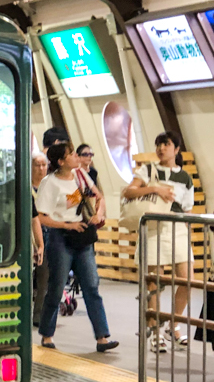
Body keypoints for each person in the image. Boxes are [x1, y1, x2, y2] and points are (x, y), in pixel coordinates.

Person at [36, 141, 118, 353]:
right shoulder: (50, 183)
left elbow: (99, 196)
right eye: (71, 154)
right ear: (61, 161)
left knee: (91, 285)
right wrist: (66, 225)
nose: (76, 156)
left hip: (82, 235)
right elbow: (41, 217)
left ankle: (102, 337)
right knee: (56, 287)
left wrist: (99, 213)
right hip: (60, 237)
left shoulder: (80, 175)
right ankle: (47, 334)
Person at [122, 131, 193, 353]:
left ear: (176, 149)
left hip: (177, 229)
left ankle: (174, 324)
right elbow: (129, 192)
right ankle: (155, 333)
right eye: (159, 144)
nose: (161, 148)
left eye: (166, 144)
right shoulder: (148, 170)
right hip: (153, 228)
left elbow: (187, 208)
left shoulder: (185, 177)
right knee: (155, 282)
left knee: (188, 279)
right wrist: (155, 188)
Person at [31, 152, 47, 326]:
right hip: (31, 237)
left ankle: (39, 316)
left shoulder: (51, 186)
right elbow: (35, 218)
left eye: (44, 165)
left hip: (49, 235)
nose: (41, 168)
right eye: (37, 165)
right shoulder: (26, 188)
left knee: (45, 279)